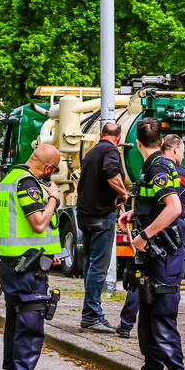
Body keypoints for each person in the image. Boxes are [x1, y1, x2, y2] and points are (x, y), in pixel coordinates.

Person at [117, 119, 185, 370]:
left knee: (162, 321)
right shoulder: (151, 167)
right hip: (153, 257)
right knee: (147, 323)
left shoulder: (158, 168)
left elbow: (174, 208)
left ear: (137, 143)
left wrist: (144, 235)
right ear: (160, 141)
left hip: (165, 256)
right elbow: (157, 203)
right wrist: (135, 213)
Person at [0, 144, 65, 370]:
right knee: (29, 329)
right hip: (27, 271)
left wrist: (49, 252)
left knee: (14, 328)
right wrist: (54, 199)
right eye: (53, 170)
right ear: (48, 168)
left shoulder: (10, 178)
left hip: (14, 266)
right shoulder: (28, 183)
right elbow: (37, 223)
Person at [116, 134, 185, 339]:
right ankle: (163, 337)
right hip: (169, 236)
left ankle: (126, 324)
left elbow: (146, 201)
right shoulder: (181, 174)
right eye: (182, 151)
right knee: (167, 289)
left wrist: (136, 215)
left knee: (141, 280)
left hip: (146, 233)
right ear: (175, 150)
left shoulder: (149, 169)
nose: (183, 155)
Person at [76, 122, 128, 333]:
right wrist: (123, 193)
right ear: (118, 138)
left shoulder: (92, 152)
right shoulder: (110, 151)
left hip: (85, 215)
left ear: (101, 134)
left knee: (90, 266)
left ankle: (93, 313)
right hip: (101, 216)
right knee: (98, 268)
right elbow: (110, 171)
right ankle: (91, 316)